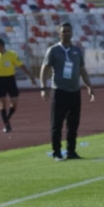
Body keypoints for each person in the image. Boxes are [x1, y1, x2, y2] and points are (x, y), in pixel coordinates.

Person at [40, 22, 94, 160]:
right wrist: (43, 87)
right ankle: (56, 152)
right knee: (56, 124)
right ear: (59, 33)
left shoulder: (76, 51)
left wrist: (89, 86)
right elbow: (45, 68)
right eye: (64, 31)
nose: (67, 33)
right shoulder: (53, 50)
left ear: (72, 33)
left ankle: (71, 151)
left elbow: (82, 70)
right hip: (59, 91)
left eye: (69, 31)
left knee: (73, 124)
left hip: (74, 92)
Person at [0, 38, 36, 133]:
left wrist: (30, 76)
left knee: (15, 102)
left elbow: (21, 65)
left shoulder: (12, 54)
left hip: (10, 80)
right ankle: (6, 125)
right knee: (2, 102)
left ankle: (6, 118)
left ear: (0, 46)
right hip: (0, 80)